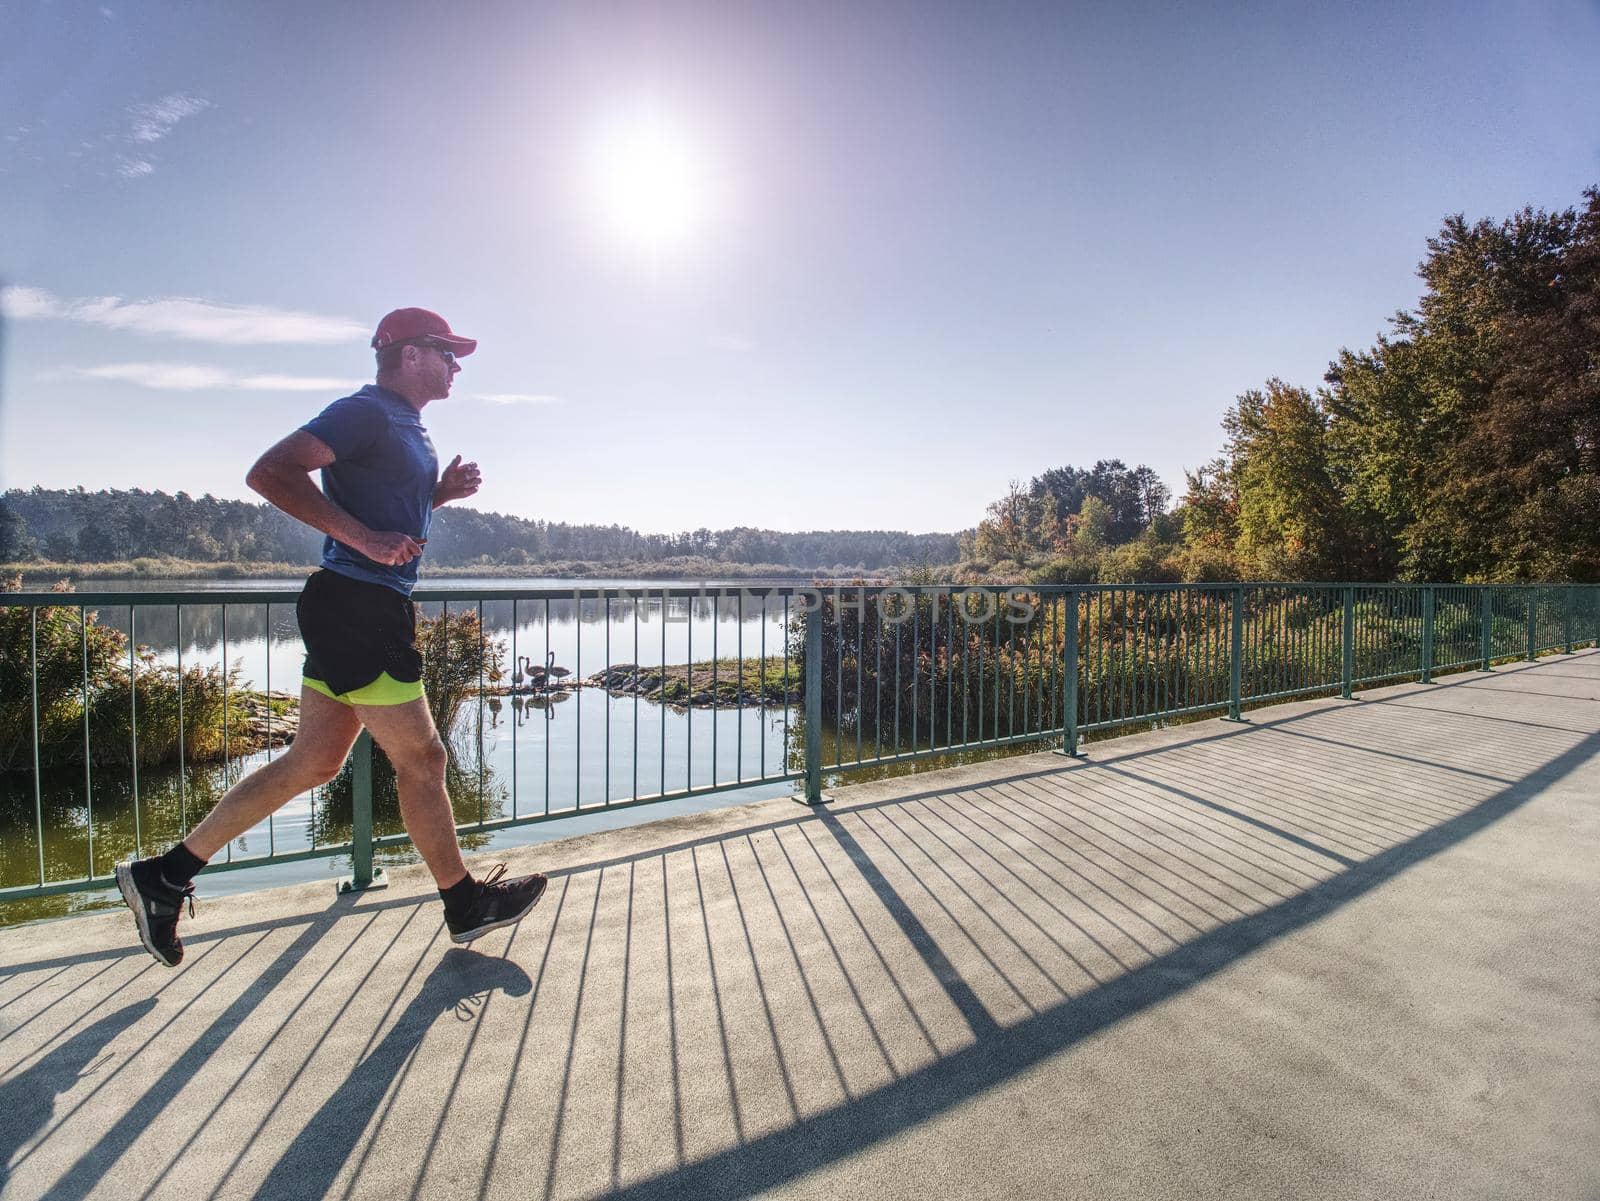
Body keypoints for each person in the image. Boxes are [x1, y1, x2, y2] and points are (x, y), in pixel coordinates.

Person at [116, 307, 547, 967]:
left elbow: (384, 506)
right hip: (361, 608)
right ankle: (464, 903)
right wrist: (367, 540)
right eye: (446, 352)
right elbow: (270, 472)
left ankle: (164, 876)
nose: (455, 365)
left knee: (312, 763)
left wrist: (437, 495)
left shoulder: (405, 425)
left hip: (355, 604)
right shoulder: (366, 411)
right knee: (423, 760)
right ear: (408, 353)